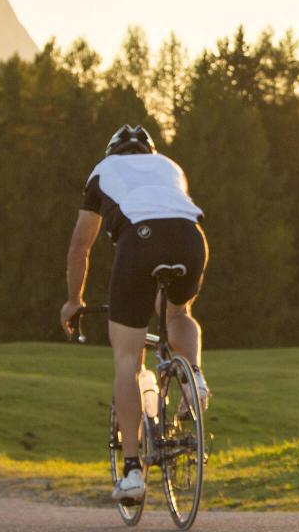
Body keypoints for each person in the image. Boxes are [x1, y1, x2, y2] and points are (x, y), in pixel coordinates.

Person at [60, 124, 210, 506]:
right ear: (149, 152)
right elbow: (171, 213)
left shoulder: (102, 171)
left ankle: (131, 472)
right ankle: (194, 375)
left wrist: (74, 300)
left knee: (128, 359)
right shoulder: (170, 166)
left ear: (113, 152)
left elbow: (81, 246)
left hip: (140, 241)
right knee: (177, 313)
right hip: (191, 238)